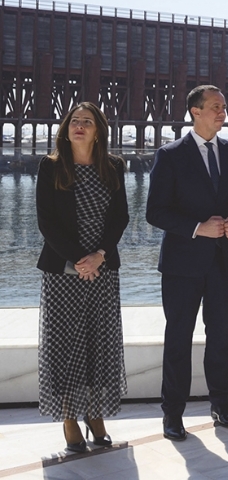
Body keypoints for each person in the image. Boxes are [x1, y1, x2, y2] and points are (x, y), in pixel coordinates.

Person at [146, 85, 228, 441]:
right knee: (178, 338)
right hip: (181, 265)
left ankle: (221, 404)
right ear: (195, 111)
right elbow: (155, 212)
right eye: (215, 107)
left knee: (220, 337)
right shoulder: (170, 154)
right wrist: (197, 228)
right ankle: (172, 414)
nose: (222, 112)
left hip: (224, 262)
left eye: (224, 107)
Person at [36, 102, 129, 453]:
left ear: (98, 130)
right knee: (64, 345)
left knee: (99, 344)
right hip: (63, 271)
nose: (79, 126)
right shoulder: (51, 166)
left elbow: (120, 217)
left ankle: (95, 414)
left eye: (87, 122)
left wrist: (98, 256)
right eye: (74, 121)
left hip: (103, 269)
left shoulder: (114, 166)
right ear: (66, 128)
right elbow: (46, 222)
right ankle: (69, 418)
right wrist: (78, 260)